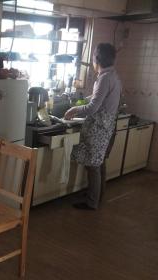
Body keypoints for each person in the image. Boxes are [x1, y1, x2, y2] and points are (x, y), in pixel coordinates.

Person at [64, 43, 122, 210]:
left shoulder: (104, 78)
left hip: (99, 128)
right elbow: (97, 97)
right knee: (99, 163)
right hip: (105, 127)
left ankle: (92, 202)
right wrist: (85, 99)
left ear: (96, 59)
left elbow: (93, 108)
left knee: (93, 166)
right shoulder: (112, 75)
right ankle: (96, 196)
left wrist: (75, 109)